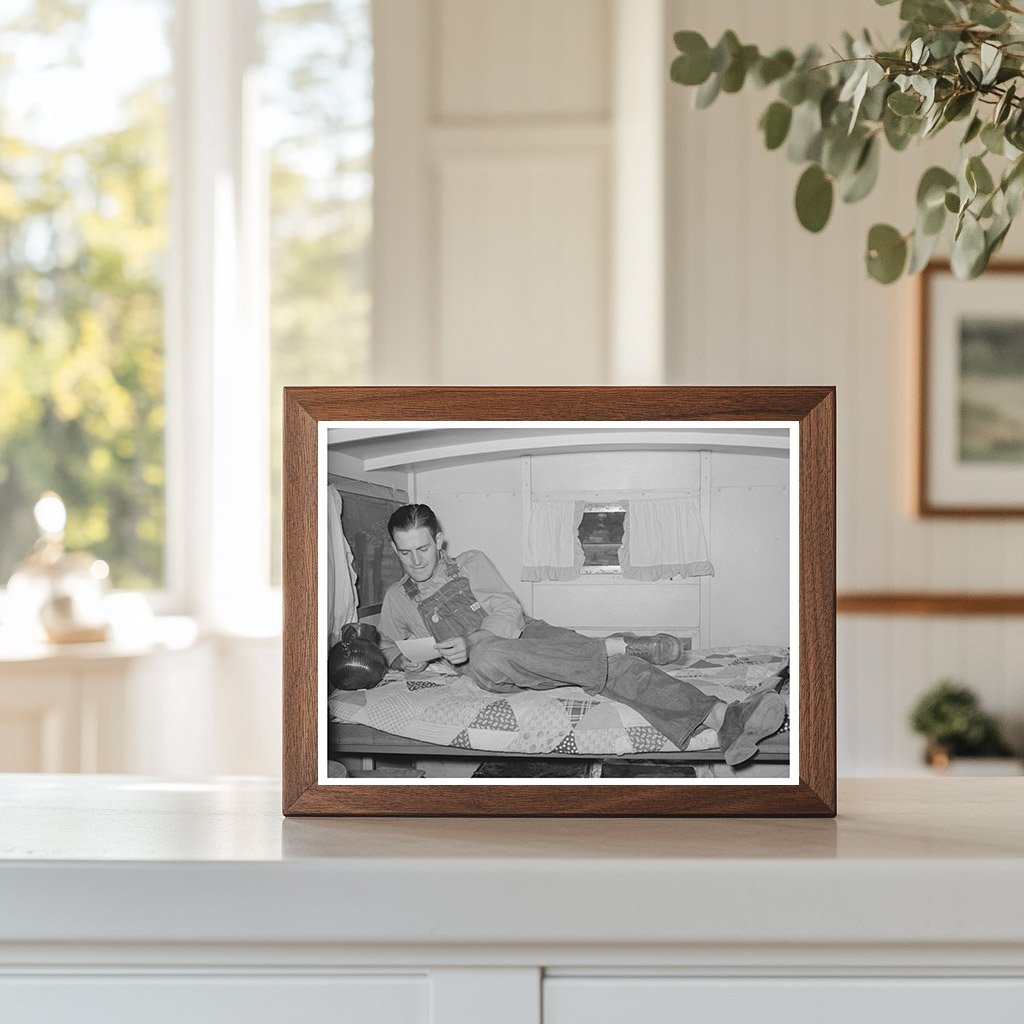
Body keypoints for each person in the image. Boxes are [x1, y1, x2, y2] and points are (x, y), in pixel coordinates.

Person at [379, 504, 785, 767]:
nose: (415, 561)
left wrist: (473, 637)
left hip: (528, 637)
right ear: (395, 549)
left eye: (423, 550)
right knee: (486, 657)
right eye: (405, 552)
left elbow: (507, 610)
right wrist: (406, 659)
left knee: (617, 669)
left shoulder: (470, 563)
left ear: (439, 542)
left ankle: (725, 718)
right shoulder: (397, 599)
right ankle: (609, 645)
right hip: (489, 667)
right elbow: (387, 649)